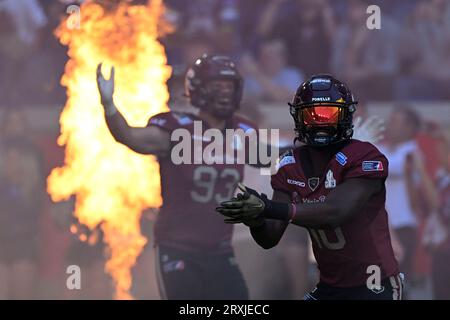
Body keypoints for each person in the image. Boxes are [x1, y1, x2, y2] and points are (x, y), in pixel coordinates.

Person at [216, 74, 403, 300]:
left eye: (329, 114)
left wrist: (267, 207)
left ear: (346, 115)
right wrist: (255, 218)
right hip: (329, 287)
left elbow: (335, 212)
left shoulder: (364, 156)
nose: (320, 123)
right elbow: (269, 238)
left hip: (374, 285)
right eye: (311, 115)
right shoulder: (290, 163)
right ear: (297, 117)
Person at [96, 54, 255, 300]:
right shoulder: (177, 130)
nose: (225, 92)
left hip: (221, 251)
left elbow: (276, 158)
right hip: (179, 249)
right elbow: (130, 137)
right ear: (199, 89)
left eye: (229, 86)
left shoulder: (244, 133)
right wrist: (109, 107)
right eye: (217, 85)